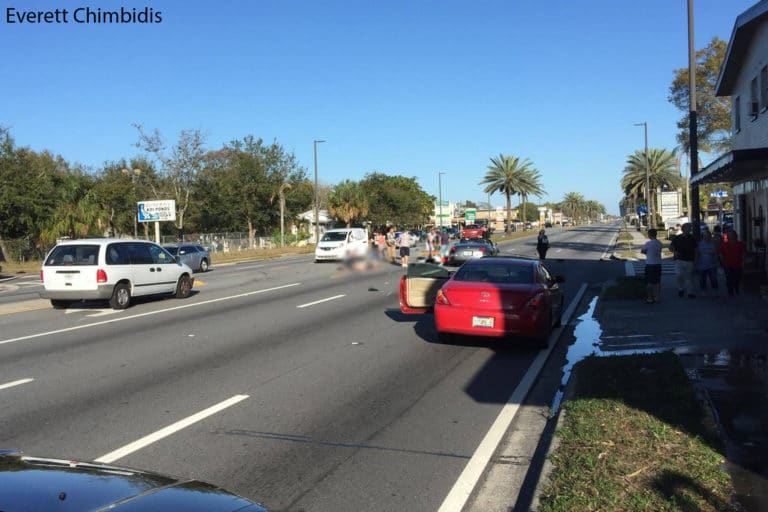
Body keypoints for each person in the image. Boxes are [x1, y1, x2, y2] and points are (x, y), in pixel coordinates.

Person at [669, 222, 696, 298]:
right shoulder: (677, 238)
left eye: (690, 229)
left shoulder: (692, 238)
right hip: (679, 259)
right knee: (679, 275)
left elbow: (696, 249)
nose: (690, 230)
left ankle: (690, 292)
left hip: (690, 259)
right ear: (684, 229)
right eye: (688, 229)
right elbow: (670, 247)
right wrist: (675, 252)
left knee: (689, 277)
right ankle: (680, 288)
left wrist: (696, 260)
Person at [719, 229, 746, 296]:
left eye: (733, 235)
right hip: (727, 264)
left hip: (738, 264)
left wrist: (743, 262)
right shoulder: (724, 244)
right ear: (728, 236)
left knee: (737, 278)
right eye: (730, 235)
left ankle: (736, 287)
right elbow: (721, 254)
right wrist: (722, 262)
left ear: (735, 236)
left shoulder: (740, 244)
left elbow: (743, 253)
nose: (732, 236)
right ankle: (730, 291)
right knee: (729, 278)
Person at [640, 228, 663, 303]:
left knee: (649, 282)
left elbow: (643, 251)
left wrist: (647, 252)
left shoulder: (648, 243)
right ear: (656, 234)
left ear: (649, 235)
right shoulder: (659, 243)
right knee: (657, 282)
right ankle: (657, 297)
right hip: (658, 264)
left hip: (650, 264)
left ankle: (649, 297)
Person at [695, 229, 719, 297]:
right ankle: (703, 290)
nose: (707, 237)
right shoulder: (699, 244)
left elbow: (715, 253)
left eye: (708, 235)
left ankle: (715, 290)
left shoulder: (713, 244)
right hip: (701, 265)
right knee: (702, 280)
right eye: (705, 236)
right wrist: (696, 263)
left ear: (710, 236)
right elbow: (697, 254)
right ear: (703, 236)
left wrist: (717, 263)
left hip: (712, 265)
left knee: (713, 279)